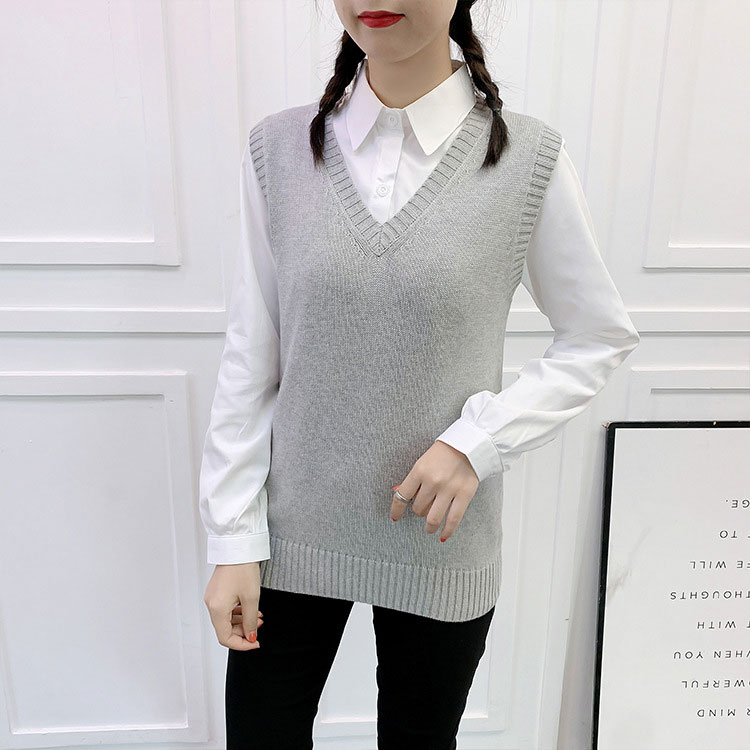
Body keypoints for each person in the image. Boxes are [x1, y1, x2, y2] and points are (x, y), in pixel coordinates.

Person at [199, 1, 641, 748]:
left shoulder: (526, 159)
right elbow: (252, 353)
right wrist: (232, 538)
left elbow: (597, 334)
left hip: (441, 539)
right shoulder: (279, 151)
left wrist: (478, 441)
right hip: (288, 536)